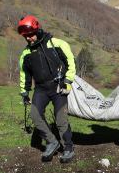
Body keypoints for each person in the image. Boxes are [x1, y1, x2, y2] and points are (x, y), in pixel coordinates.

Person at [18, 15, 76, 163]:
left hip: (58, 86)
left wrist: (67, 81)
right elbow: (25, 74)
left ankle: (68, 148)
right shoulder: (26, 54)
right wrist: (24, 92)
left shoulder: (56, 43)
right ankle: (52, 142)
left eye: (30, 35)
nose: (29, 38)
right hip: (41, 89)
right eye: (26, 36)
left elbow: (70, 61)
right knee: (35, 115)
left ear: (37, 30)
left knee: (60, 119)